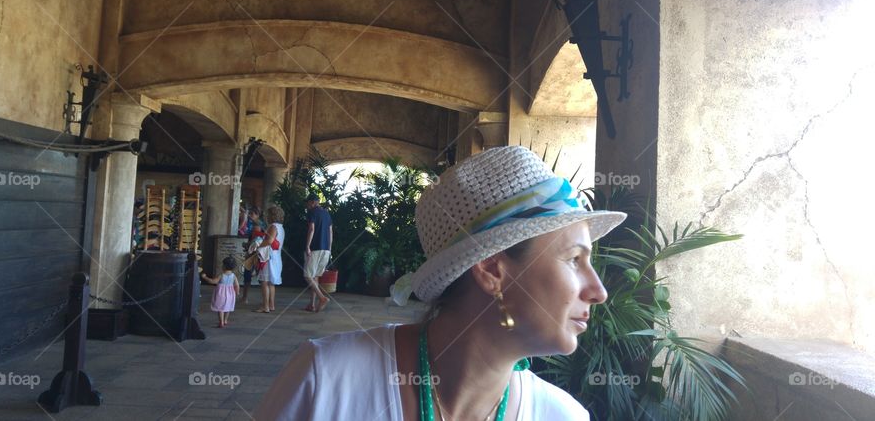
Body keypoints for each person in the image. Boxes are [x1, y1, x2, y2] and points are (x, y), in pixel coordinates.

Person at [253, 146, 627, 420]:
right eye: (574, 260)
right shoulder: (328, 381)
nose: (599, 291)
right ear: (492, 270)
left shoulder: (562, 417)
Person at [302, 193, 332, 313]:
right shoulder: (326, 213)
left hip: (315, 248)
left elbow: (312, 229)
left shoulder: (312, 213)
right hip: (326, 249)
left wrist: (308, 246)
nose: (307, 205)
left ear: (313, 202)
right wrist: (329, 248)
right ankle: (312, 304)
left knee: (308, 275)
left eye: (308, 202)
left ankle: (322, 298)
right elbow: (330, 232)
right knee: (315, 276)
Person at [255, 205, 284, 313]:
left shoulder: (273, 227)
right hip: (276, 256)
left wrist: (258, 246)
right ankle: (271, 305)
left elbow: (270, 241)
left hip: (269, 256)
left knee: (264, 281)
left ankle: (265, 306)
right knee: (271, 283)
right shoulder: (281, 227)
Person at [200, 257, 239, 328]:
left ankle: (221, 321)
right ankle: (225, 320)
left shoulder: (221, 275)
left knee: (221, 308)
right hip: (230, 294)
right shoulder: (233, 276)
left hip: (221, 294)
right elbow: (237, 285)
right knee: (228, 307)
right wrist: (237, 292)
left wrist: (205, 277)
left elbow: (213, 281)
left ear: (224, 266)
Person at [239, 206, 263, 303]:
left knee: (249, 275)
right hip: (255, 252)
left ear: (257, 215)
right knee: (257, 275)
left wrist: (247, 245)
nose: (250, 215)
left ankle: (245, 297)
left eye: (252, 214)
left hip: (254, 253)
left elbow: (255, 241)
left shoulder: (257, 225)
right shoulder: (256, 224)